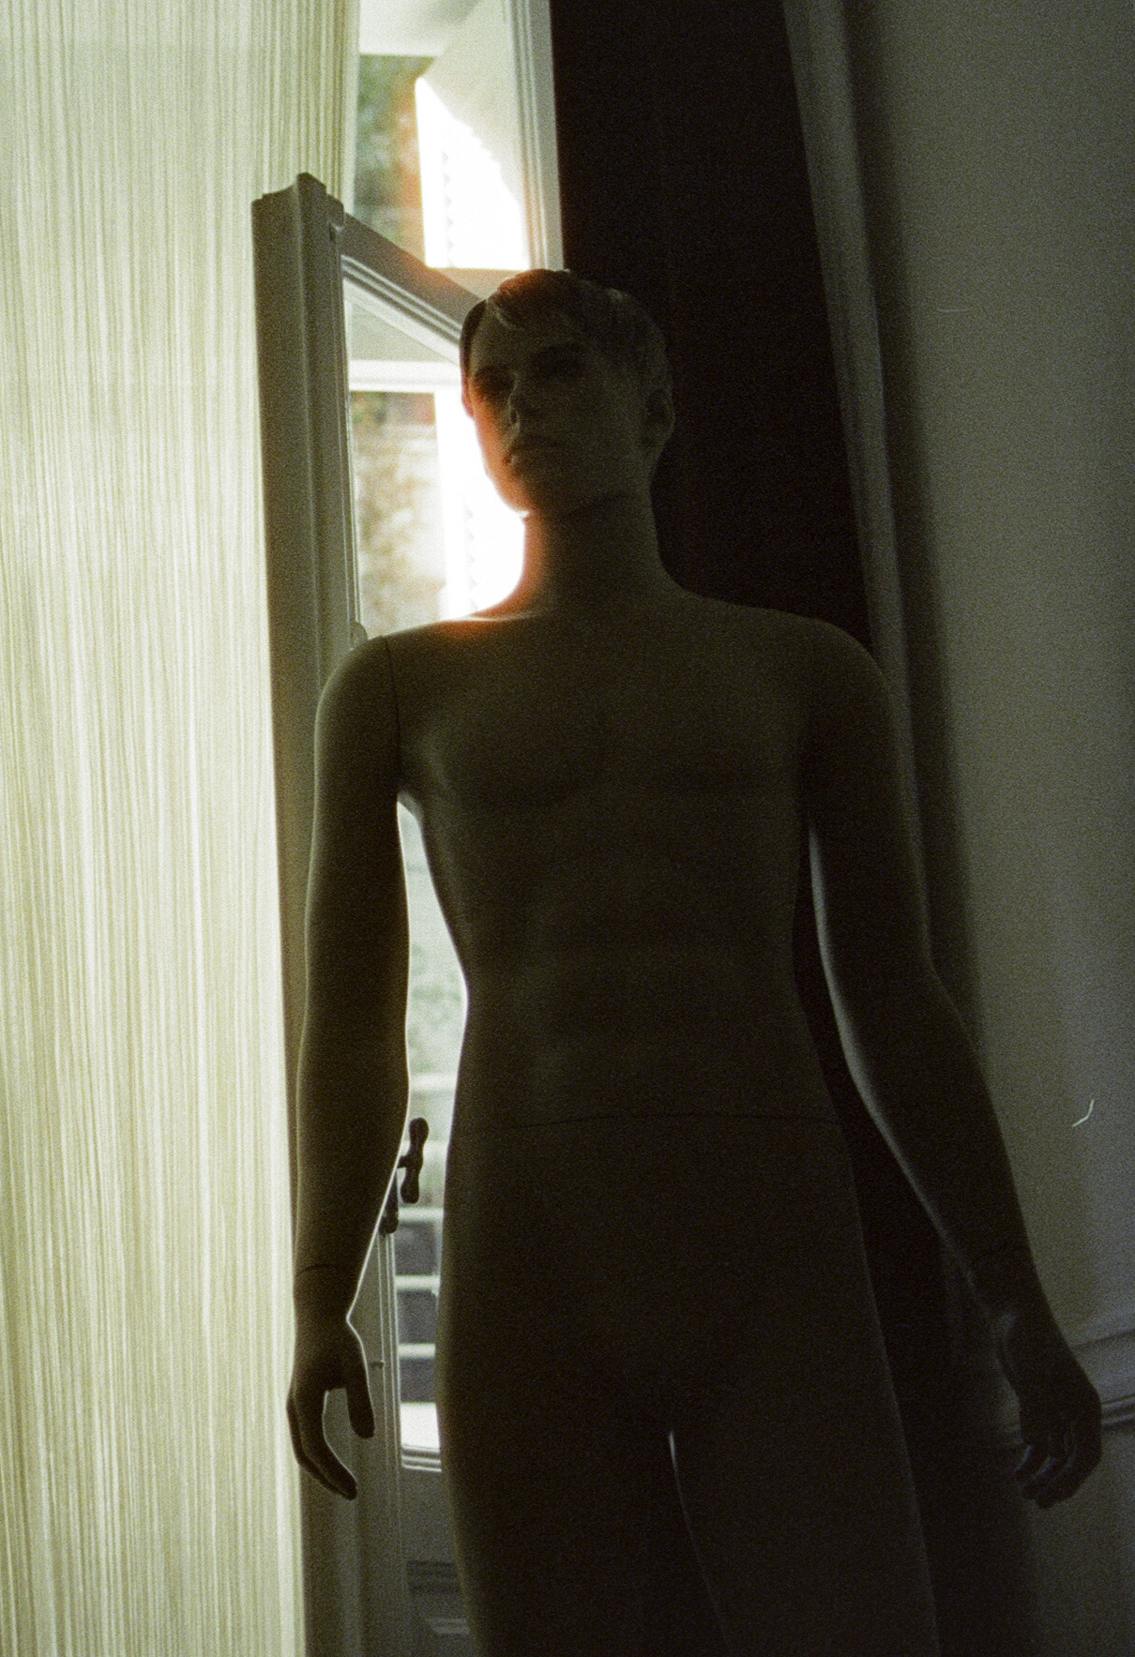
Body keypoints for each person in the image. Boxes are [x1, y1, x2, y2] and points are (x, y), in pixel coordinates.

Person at [284, 270, 1101, 1654]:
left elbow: (891, 998)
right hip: (531, 1236)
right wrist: (320, 1296)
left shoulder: (803, 672)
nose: (520, 408)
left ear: (654, 408)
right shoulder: (401, 688)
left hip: (768, 1229)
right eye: (492, 388)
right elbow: (352, 1022)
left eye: (559, 370)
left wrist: (1010, 1289)